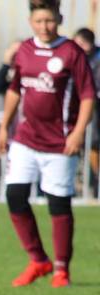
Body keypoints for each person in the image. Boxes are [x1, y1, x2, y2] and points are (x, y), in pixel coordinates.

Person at [0, 0, 95, 288]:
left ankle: (62, 268)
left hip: (60, 143)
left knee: (58, 204)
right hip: (26, 140)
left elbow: (88, 95)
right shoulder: (25, 50)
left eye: (50, 21)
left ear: (59, 18)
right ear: (31, 22)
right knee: (14, 195)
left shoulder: (71, 52)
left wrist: (77, 132)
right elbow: (15, 91)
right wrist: (4, 126)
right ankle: (38, 260)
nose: (45, 26)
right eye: (39, 21)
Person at [73, 27, 100, 195]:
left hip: (95, 114)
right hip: (86, 114)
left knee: (94, 145)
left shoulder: (95, 61)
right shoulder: (81, 59)